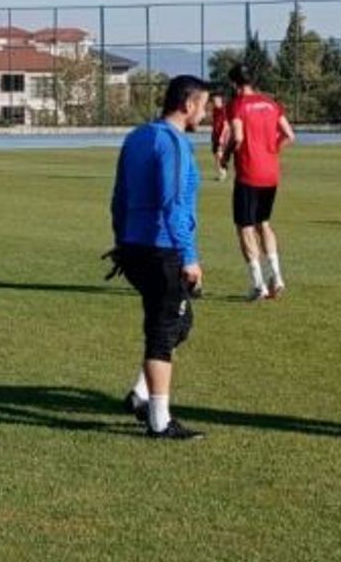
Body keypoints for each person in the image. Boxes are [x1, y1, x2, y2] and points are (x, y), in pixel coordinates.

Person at [110, 75, 209, 441]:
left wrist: (122, 240)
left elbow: (119, 197)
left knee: (179, 323)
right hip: (162, 249)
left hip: (136, 247)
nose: (205, 113)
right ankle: (159, 420)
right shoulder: (172, 142)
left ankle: (140, 395)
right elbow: (173, 203)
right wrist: (189, 256)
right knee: (163, 331)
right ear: (188, 104)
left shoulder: (137, 136)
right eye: (203, 106)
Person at [218, 64, 295, 301]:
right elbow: (289, 135)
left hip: (249, 173)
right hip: (271, 173)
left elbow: (238, 137)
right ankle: (277, 277)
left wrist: (225, 155)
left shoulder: (237, 105)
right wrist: (271, 151)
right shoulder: (271, 103)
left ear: (234, 84)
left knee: (245, 226)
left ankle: (258, 285)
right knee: (264, 223)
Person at [209, 90, 229, 181]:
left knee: (219, 154)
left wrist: (222, 136)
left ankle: (223, 173)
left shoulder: (223, 110)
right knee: (216, 154)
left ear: (220, 100)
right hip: (215, 135)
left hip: (222, 136)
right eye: (213, 101)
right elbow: (214, 123)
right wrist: (213, 134)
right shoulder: (215, 110)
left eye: (216, 100)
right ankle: (222, 172)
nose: (214, 102)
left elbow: (225, 125)